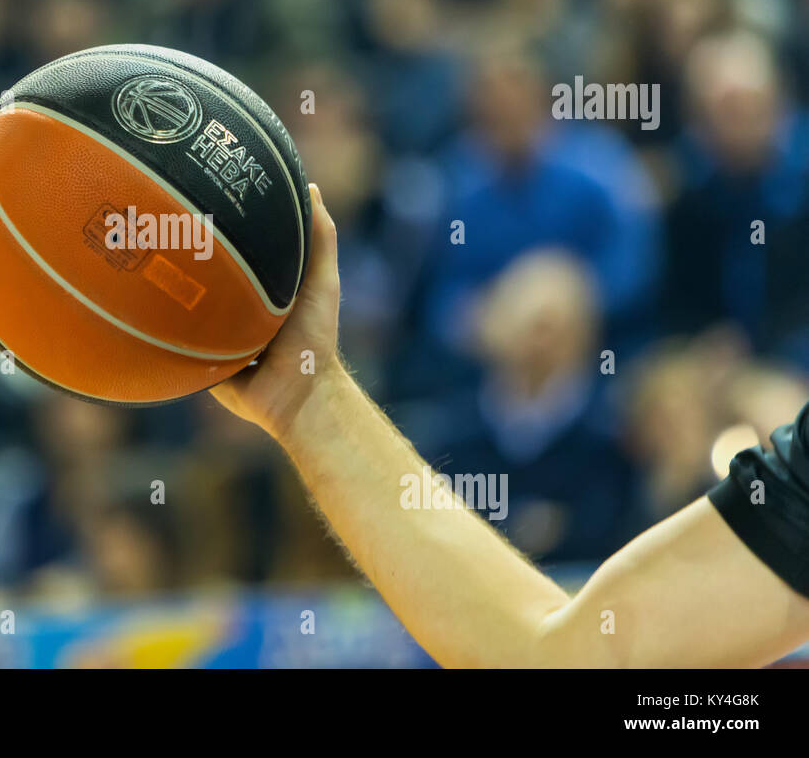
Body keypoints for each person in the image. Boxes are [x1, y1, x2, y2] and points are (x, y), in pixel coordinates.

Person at [211, 184, 809, 667]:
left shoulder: (607, 442)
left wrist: (309, 399)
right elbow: (575, 663)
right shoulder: (455, 430)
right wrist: (306, 397)